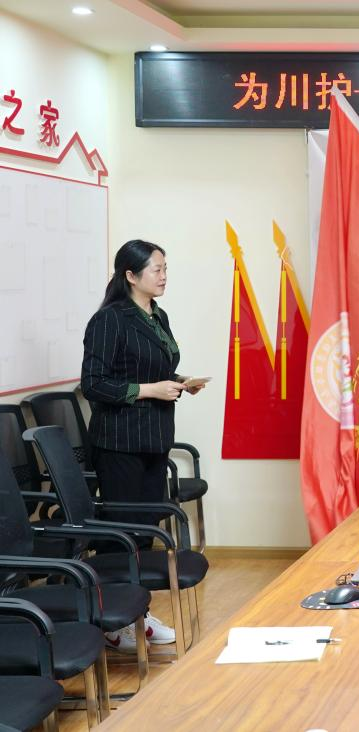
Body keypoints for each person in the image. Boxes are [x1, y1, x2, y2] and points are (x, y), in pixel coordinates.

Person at [81, 239, 204, 653]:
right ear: (131, 276)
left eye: (166, 268)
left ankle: (139, 612)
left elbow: (152, 367)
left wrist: (180, 382)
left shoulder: (157, 315)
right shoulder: (110, 319)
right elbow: (94, 384)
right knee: (123, 533)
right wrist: (151, 389)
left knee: (146, 529)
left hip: (154, 438)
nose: (164, 276)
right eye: (156, 269)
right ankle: (112, 622)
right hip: (119, 442)